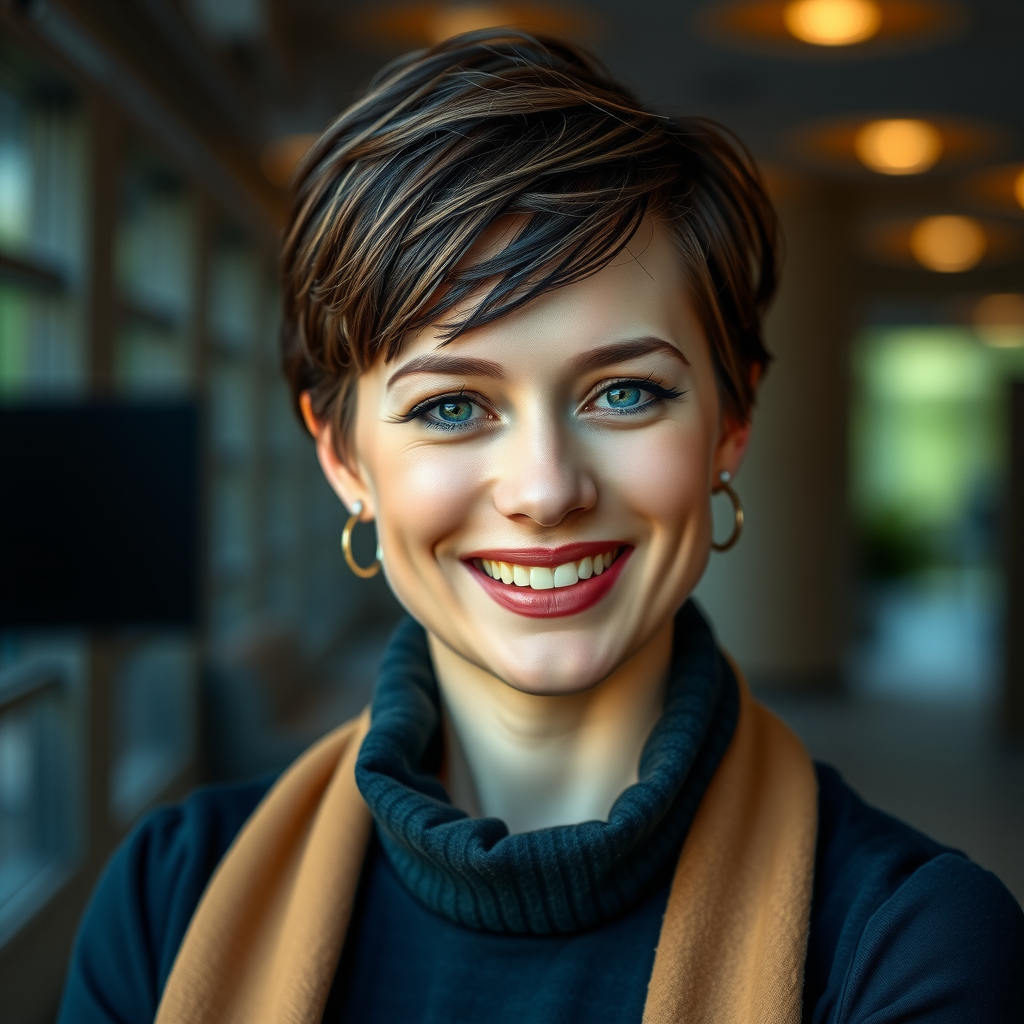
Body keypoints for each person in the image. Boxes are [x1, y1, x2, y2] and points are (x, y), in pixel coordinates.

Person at [59, 31, 1022, 1024]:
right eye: (450, 406)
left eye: (622, 392)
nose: (545, 488)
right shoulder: (165, 904)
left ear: (730, 425)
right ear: (343, 458)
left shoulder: (908, 943)